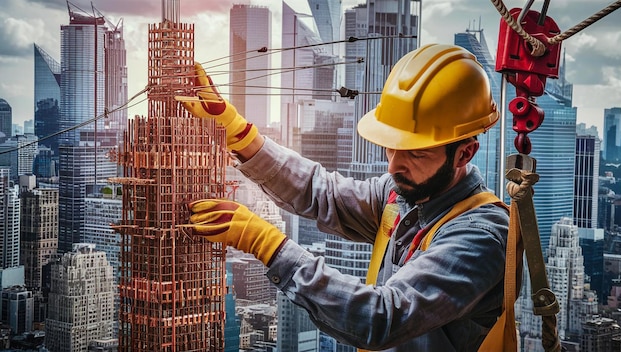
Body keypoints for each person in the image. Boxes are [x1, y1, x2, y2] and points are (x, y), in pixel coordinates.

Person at [179, 43, 510, 351]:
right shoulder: (402, 196)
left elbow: (381, 318)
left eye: (416, 154)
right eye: (390, 146)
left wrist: (266, 244)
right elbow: (321, 192)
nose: (394, 165)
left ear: (465, 154)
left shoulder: (479, 236)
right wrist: (239, 133)